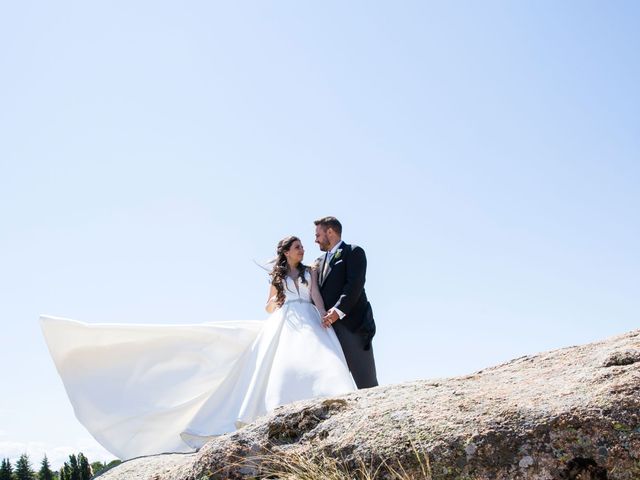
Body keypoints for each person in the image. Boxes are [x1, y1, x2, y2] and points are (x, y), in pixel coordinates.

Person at [40, 235, 355, 461]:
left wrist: (322, 315)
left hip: (309, 317)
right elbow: (268, 307)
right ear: (286, 252)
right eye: (297, 246)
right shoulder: (278, 276)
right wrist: (280, 300)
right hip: (286, 317)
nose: (302, 249)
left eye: (302, 245)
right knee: (280, 363)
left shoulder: (309, 272)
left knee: (318, 358)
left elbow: (315, 295)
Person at [314, 216, 378, 389]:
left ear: (330, 232)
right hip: (327, 331)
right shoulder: (318, 263)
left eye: (318, 234)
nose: (315, 239)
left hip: (352, 326)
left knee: (367, 384)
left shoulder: (353, 252)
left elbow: (355, 286)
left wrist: (338, 310)